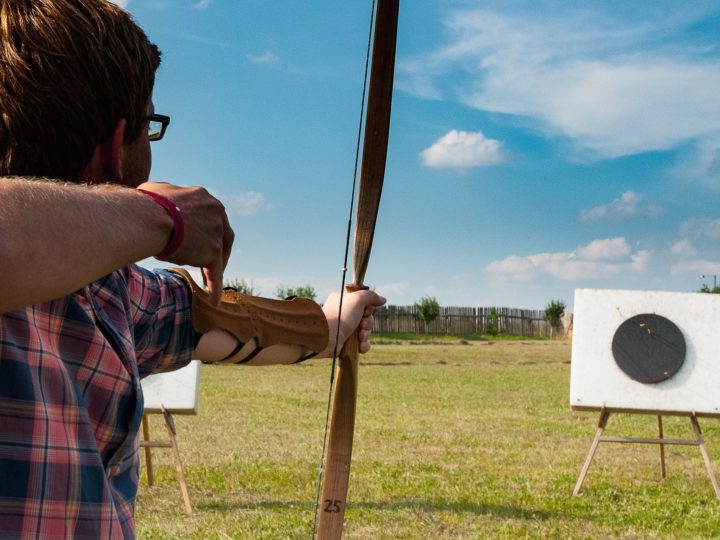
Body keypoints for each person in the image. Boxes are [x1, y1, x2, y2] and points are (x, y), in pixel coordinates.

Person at [0, 1, 385, 538]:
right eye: (148, 129)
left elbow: (224, 324)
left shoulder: (113, 292)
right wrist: (160, 217)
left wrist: (333, 323)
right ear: (118, 146)